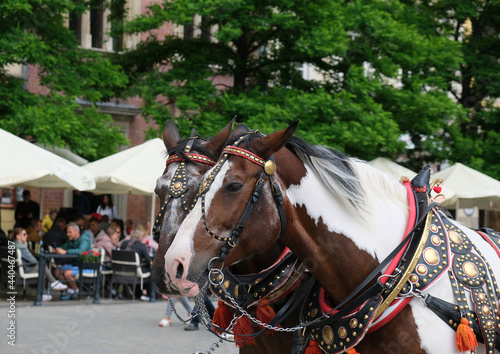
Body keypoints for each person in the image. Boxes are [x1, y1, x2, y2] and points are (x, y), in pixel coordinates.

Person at [10, 228, 67, 301]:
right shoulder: (22, 247)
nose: (27, 236)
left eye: (26, 234)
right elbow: (33, 261)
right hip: (25, 270)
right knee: (42, 266)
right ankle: (51, 285)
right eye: (24, 234)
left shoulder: (13, 245)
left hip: (17, 269)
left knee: (41, 266)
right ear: (18, 236)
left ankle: (48, 289)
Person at [54, 222, 91, 300]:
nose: (67, 234)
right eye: (67, 232)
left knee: (67, 273)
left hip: (84, 265)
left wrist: (66, 252)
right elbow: (64, 247)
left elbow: (81, 251)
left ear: (76, 232)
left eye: (69, 232)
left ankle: (76, 291)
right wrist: (57, 249)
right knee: (57, 271)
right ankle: (70, 290)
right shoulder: (71, 240)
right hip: (74, 264)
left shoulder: (84, 239)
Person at [120, 225, 151, 301]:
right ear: (140, 236)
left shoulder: (124, 243)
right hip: (136, 271)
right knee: (152, 269)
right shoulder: (141, 245)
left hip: (122, 270)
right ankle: (147, 294)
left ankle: (132, 291)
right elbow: (149, 260)